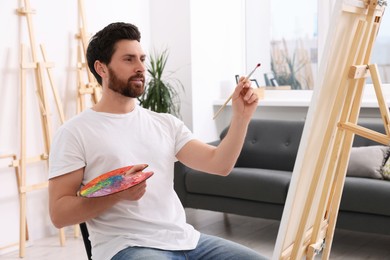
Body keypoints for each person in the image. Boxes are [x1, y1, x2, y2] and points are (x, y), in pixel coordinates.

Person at [48, 22, 267, 260]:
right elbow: (59, 214)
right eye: (129, 59)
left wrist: (241, 117)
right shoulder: (74, 132)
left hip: (186, 240)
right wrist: (118, 194)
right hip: (127, 246)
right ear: (101, 68)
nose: (141, 67)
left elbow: (219, 164)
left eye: (142, 59)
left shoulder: (165, 124)